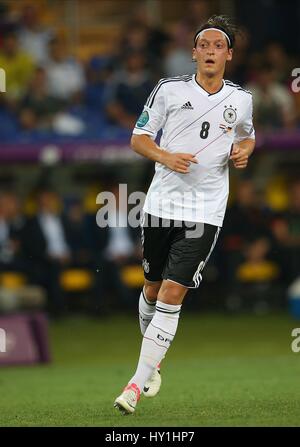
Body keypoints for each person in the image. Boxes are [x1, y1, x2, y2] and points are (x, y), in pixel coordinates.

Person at [114, 15, 256, 414]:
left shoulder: (241, 98)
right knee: (152, 288)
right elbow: (138, 138)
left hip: (206, 210)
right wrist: (165, 155)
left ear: (229, 54)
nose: (210, 52)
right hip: (161, 204)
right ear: (194, 53)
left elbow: (247, 133)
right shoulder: (169, 90)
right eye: (203, 45)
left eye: (217, 46)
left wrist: (245, 150)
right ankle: (152, 364)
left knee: (174, 293)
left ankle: (134, 387)